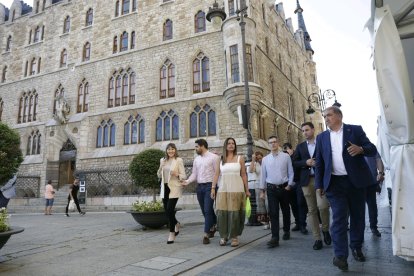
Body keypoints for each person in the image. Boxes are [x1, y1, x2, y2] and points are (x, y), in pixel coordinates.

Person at [315, 106, 377, 271]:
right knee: (339, 219)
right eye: (324, 116)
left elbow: (372, 149)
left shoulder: (355, 130)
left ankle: (356, 246)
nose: (326, 118)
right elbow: (319, 163)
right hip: (334, 184)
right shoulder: (321, 137)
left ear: (339, 116)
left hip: (355, 182)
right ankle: (341, 256)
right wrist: (319, 185)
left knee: (357, 217)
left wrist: (360, 149)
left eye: (329, 115)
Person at [293, 122, 331, 250]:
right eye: (303, 131)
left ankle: (325, 229)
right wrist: (306, 162)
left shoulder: (321, 144)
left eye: (307, 130)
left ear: (313, 130)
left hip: (320, 180)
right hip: (306, 181)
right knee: (312, 210)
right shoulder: (300, 147)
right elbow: (295, 162)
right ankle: (317, 238)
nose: (305, 132)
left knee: (323, 206)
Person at [211, 138, 250, 247]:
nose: (231, 145)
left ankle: (234, 236)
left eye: (233, 143)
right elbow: (216, 174)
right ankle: (223, 236)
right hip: (223, 190)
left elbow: (243, 174)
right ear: (225, 145)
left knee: (235, 214)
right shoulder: (220, 159)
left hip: (237, 190)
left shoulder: (240, 158)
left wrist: (247, 190)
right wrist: (213, 188)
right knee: (222, 214)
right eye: (229, 143)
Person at [259, 136, 294, 248]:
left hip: (284, 188)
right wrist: (262, 190)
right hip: (271, 189)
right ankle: (275, 237)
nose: (273, 144)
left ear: (278, 143)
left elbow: (291, 172)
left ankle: (286, 230)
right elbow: (263, 175)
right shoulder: (265, 159)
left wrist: (289, 185)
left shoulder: (286, 157)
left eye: (274, 142)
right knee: (273, 213)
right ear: (268, 145)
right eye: (270, 142)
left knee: (285, 210)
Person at [183, 139, 220, 244]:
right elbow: (194, 174)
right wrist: (187, 181)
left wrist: (213, 187)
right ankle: (214, 224)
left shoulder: (214, 157)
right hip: (200, 187)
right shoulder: (196, 160)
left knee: (208, 210)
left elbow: (217, 174)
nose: (195, 149)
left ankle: (206, 234)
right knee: (204, 210)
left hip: (210, 186)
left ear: (202, 146)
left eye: (196, 147)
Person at [157, 143, 186, 244]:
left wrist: (177, 174)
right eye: (169, 149)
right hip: (164, 188)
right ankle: (176, 223)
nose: (171, 151)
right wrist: (161, 167)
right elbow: (159, 175)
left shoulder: (178, 160)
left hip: (174, 187)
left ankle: (172, 233)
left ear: (175, 150)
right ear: (166, 151)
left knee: (170, 209)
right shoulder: (163, 160)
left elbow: (183, 176)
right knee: (167, 211)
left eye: (172, 149)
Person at [283, 142, 308, 234]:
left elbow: (298, 164)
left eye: (287, 149)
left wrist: (291, 156)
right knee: (293, 204)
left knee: (301, 203)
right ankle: (297, 223)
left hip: (299, 182)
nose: (286, 152)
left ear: (291, 148)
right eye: (284, 150)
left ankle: (303, 225)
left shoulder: (297, 154)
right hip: (289, 184)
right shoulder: (284, 158)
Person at [365, 153, 385, 237]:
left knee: (372, 205)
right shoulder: (351, 147)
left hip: (371, 181)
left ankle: (373, 227)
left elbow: (378, 159)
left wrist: (380, 173)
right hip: (356, 183)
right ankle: (356, 230)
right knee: (356, 208)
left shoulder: (371, 148)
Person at [245, 151, 263, 226]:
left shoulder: (261, 164)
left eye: (260, 158)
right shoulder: (251, 163)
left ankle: (257, 219)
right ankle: (252, 220)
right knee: (252, 203)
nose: (259, 159)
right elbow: (251, 170)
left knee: (257, 204)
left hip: (259, 185)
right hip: (252, 185)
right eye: (257, 158)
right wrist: (253, 160)